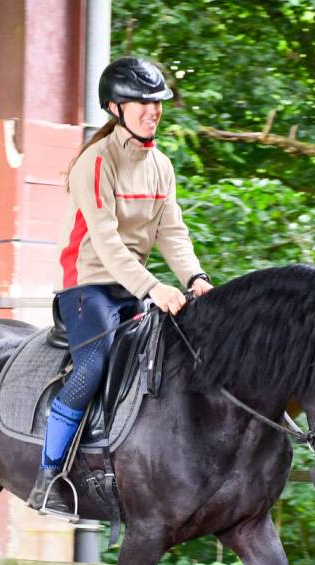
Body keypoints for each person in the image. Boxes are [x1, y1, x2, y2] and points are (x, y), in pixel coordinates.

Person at [28, 56, 213, 515]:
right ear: (115, 107)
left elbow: (172, 232)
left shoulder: (161, 166)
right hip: (87, 286)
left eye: (158, 102)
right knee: (93, 365)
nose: (153, 110)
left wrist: (195, 277)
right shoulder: (94, 163)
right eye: (142, 102)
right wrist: (153, 288)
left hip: (132, 287)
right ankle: (48, 476)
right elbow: (107, 244)